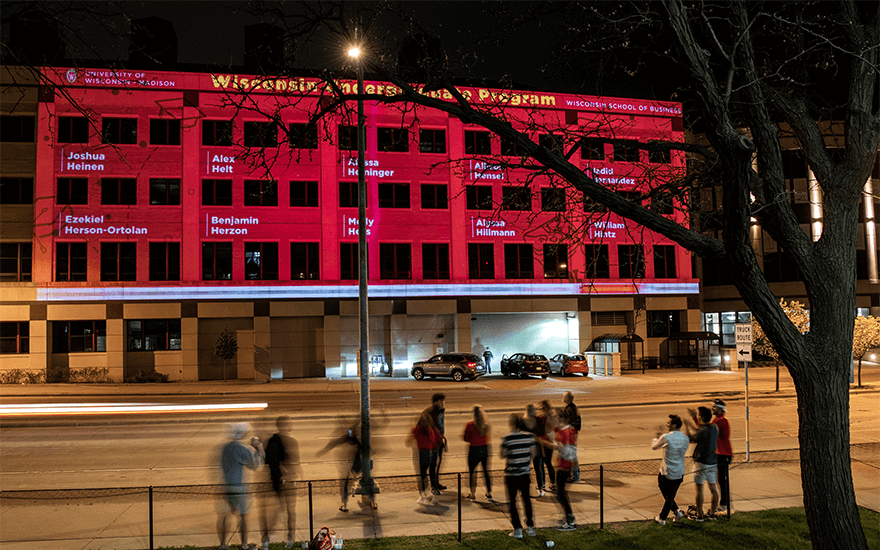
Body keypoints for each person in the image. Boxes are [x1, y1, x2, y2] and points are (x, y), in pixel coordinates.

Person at [218, 422, 265, 550]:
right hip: (239, 486)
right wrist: (258, 448)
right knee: (243, 516)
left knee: (225, 515)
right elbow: (255, 466)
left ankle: (222, 544)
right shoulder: (242, 449)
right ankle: (244, 545)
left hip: (227, 485)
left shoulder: (224, 448)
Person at [261, 416, 300, 550]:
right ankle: (290, 538)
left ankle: (266, 541)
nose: (291, 425)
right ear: (283, 426)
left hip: (274, 481)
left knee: (274, 512)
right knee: (290, 511)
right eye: (289, 423)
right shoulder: (291, 441)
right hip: (287, 482)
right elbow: (295, 463)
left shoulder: (271, 441)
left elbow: (268, 462)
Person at [500, 413, 537, 539]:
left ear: (511, 424)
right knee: (526, 500)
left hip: (512, 474)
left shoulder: (507, 438)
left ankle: (517, 529)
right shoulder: (529, 437)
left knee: (513, 502)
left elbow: (502, 454)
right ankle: (530, 527)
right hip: (525, 473)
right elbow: (533, 454)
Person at [651, 414, 690, 525]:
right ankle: (677, 512)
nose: (667, 425)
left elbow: (654, 446)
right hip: (680, 472)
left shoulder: (666, 437)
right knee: (671, 495)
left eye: (668, 423)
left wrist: (656, 438)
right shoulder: (685, 438)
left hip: (666, 472)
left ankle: (662, 518)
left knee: (668, 494)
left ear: (674, 425)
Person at [684, 406, 719, 521]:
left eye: (698, 414)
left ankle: (699, 515)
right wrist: (691, 424)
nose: (697, 416)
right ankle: (713, 513)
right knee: (713, 487)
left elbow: (692, 438)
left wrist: (687, 427)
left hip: (701, 463)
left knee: (699, 489)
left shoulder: (702, 431)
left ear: (702, 417)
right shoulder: (714, 427)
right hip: (712, 462)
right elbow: (701, 430)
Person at [319, 420, 362, 512]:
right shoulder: (353, 439)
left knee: (345, 484)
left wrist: (323, 450)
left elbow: (334, 443)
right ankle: (348, 501)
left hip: (349, 466)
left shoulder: (348, 437)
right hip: (355, 466)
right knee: (350, 483)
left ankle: (345, 503)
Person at [408, 410, 442, 504]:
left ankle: (423, 496)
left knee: (423, 475)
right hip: (432, 452)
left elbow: (408, 441)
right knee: (432, 474)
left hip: (423, 453)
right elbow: (438, 440)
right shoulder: (432, 429)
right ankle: (434, 494)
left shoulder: (418, 429)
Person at [553, 408, 578, 531]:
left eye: (555, 418)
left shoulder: (567, 433)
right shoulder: (562, 430)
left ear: (561, 419)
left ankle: (570, 520)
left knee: (561, 494)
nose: (553, 420)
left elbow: (570, 452)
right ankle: (568, 517)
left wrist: (559, 448)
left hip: (564, 467)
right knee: (560, 494)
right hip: (563, 466)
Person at [462, 405, 493, 501]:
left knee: (472, 473)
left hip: (474, 449)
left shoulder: (470, 425)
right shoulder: (486, 425)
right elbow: (488, 437)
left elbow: (466, 438)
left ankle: (472, 494)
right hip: (484, 448)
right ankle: (489, 493)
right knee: (486, 472)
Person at [711, 399, 733, 513]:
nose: (712, 408)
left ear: (719, 408)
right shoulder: (719, 420)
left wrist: (695, 418)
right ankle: (724, 502)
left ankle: (724, 503)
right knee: (720, 480)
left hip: (723, 453)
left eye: (714, 407)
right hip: (721, 452)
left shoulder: (720, 421)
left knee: (722, 480)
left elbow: (706, 429)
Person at [522, 403, 546, 497]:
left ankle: (525, 489)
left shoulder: (523, 421)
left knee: (525, 469)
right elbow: (542, 433)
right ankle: (540, 489)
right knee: (538, 469)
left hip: (526, 447)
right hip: (537, 447)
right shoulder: (538, 420)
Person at [426, 393, 447, 489]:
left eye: (443, 401)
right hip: (433, 442)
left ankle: (436, 483)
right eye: (440, 401)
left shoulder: (441, 412)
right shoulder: (431, 412)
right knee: (433, 464)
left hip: (439, 440)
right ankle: (434, 485)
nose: (442, 403)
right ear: (435, 402)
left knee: (436, 463)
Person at [538, 400, 558, 491]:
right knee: (548, 463)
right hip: (549, 442)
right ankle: (552, 483)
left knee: (542, 464)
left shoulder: (542, 417)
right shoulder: (552, 417)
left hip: (543, 442)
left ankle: (543, 484)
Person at [562, 391, 581, 481]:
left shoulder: (569, 409)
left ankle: (575, 475)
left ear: (568, 398)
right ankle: (571, 473)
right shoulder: (573, 407)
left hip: (570, 434)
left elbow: (571, 423)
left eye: (564, 397)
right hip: (573, 433)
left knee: (572, 455)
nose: (563, 398)